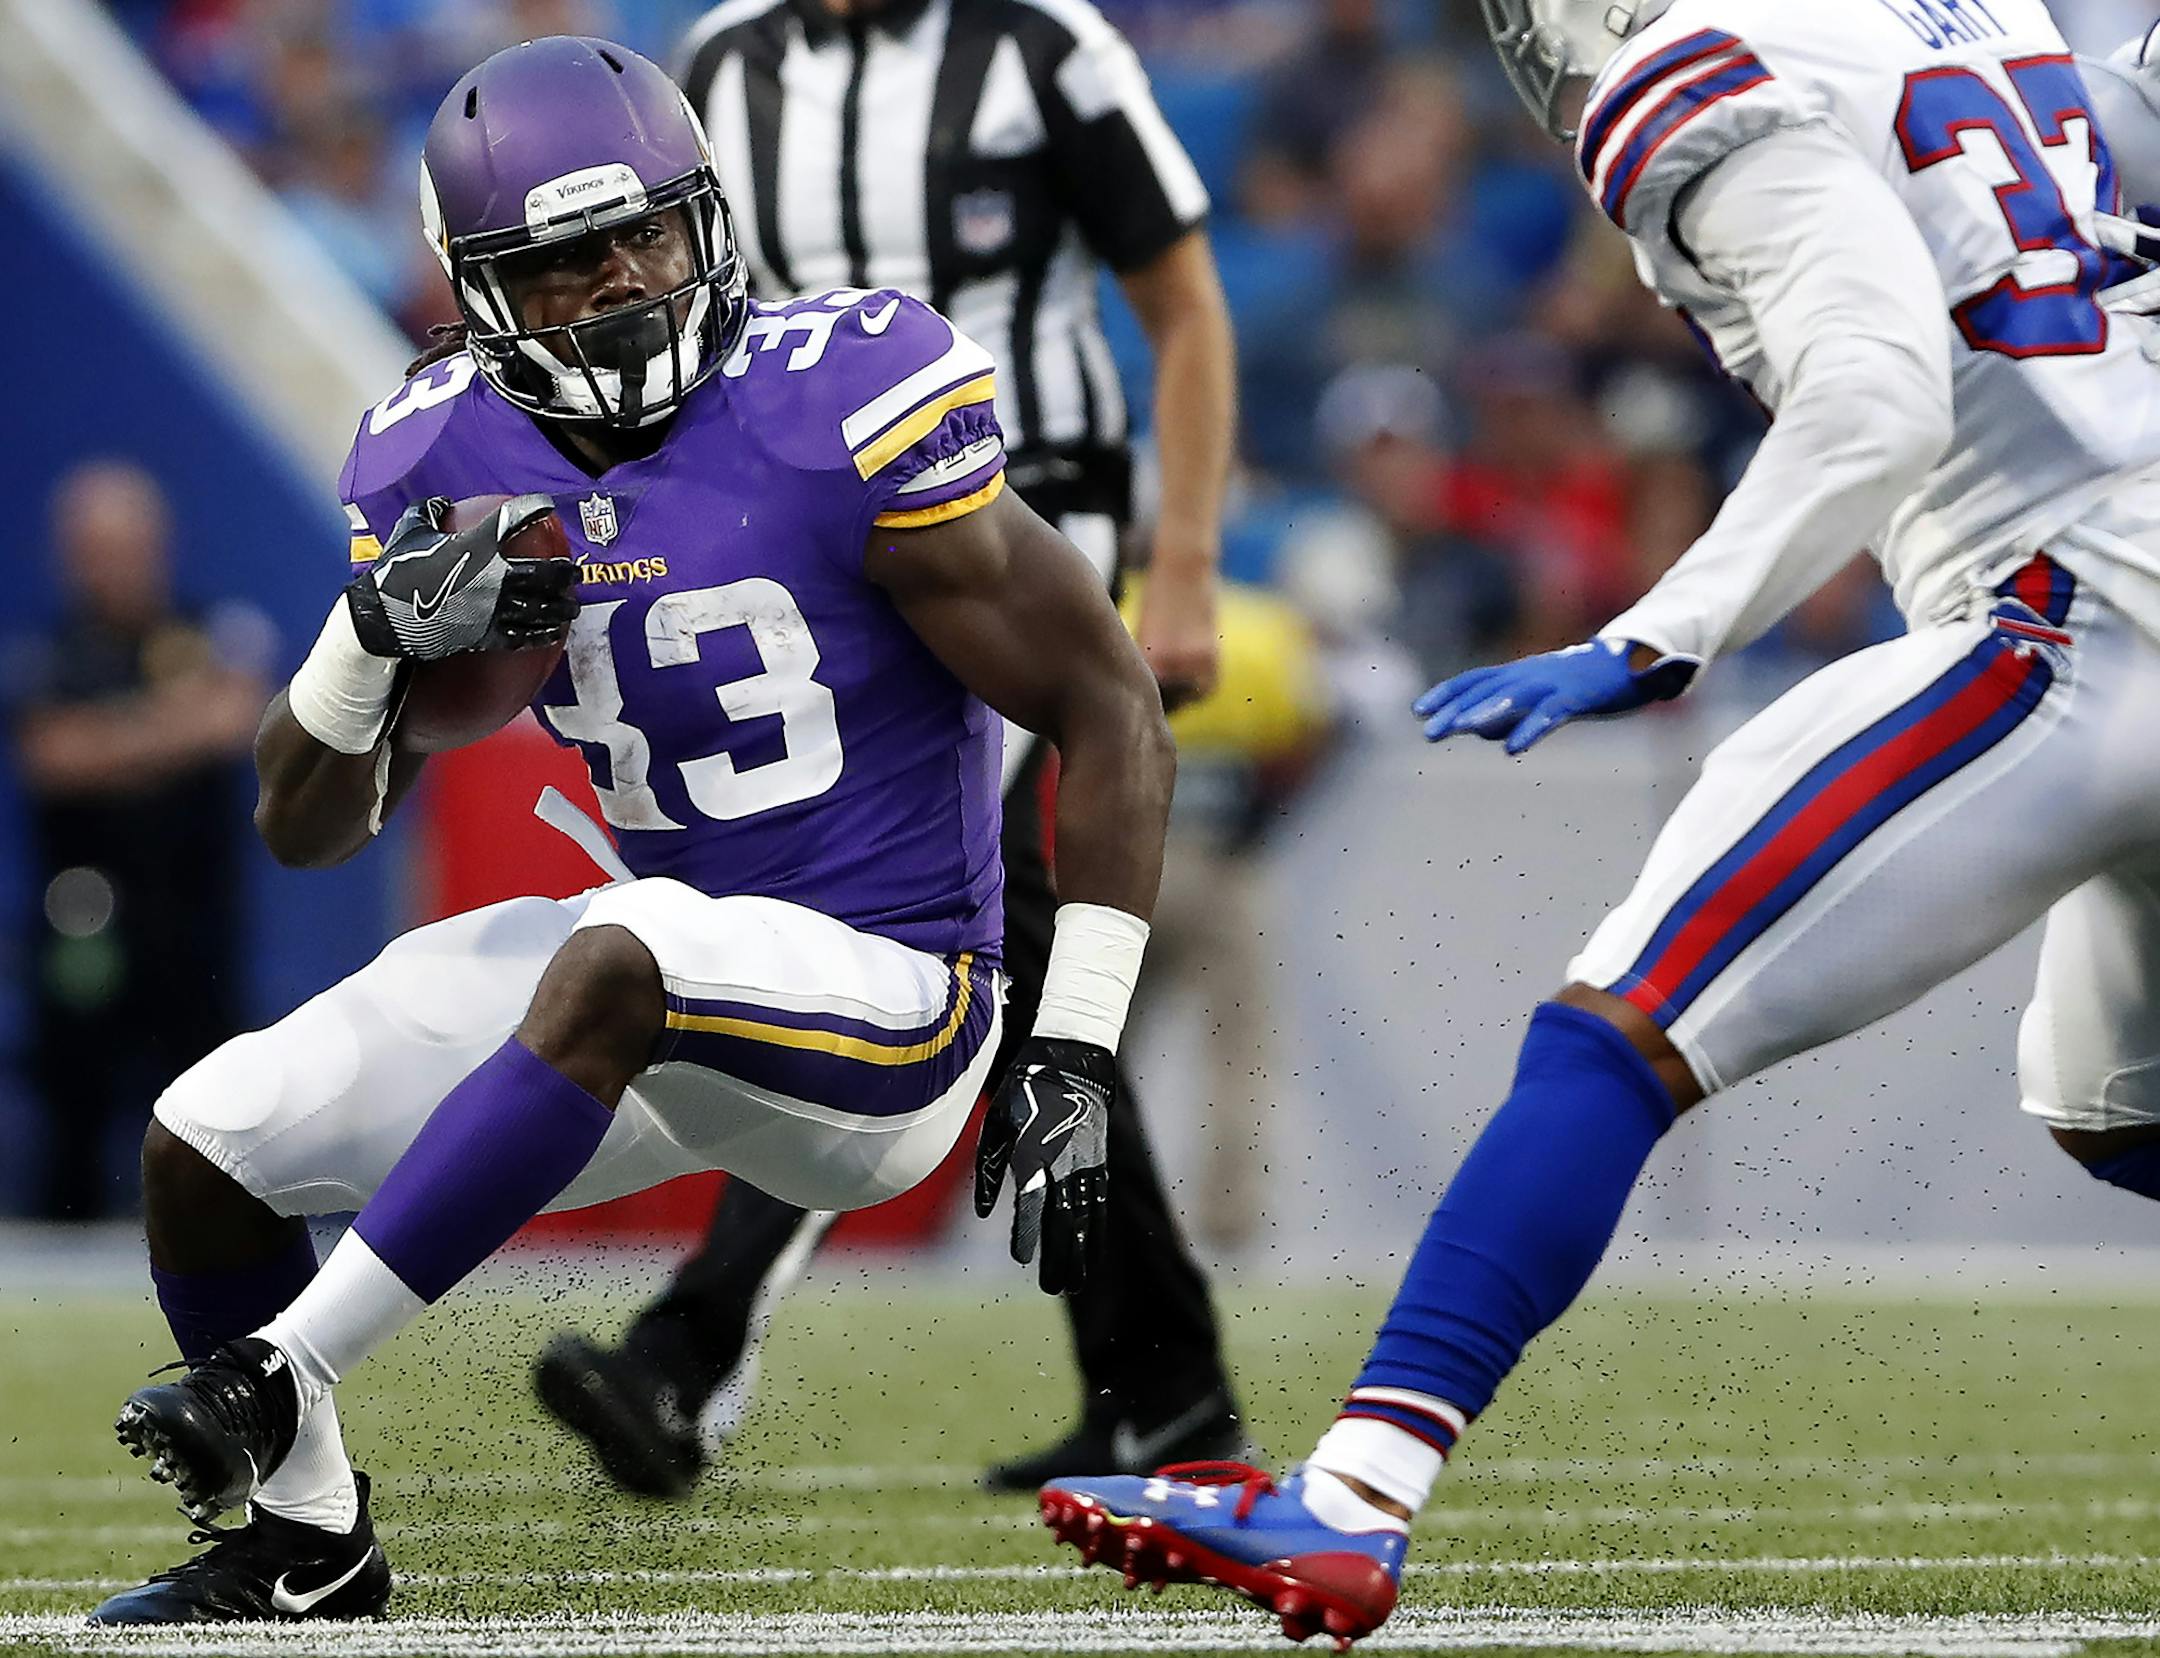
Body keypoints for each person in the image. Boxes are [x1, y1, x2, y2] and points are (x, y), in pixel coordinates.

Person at [1039, 0, 2160, 1646]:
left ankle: (1353, 1495)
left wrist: (1653, 634)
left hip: (2063, 623)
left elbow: (1875, 398)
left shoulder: (1700, 64)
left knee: (1615, 1033)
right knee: (2112, 1103)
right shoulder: (1981, 17)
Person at [90, 36, 1174, 1627]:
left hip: (899, 1003)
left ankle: (280, 1368)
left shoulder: (842, 399)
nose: (618, 282)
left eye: (643, 235)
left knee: (622, 942)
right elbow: (306, 826)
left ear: (702, 220)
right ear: (477, 291)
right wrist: (365, 635)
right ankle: (303, 1545)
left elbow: (1112, 703)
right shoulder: (446, 456)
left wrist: (1071, 1043)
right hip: (654, 1002)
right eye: (564, 262)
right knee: (210, 1132)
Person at [531, 0, 1245, 1500]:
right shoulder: (720, 64)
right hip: (814, 543)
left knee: (887, 914)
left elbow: (1182, 301)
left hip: (1019, 531)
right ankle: (1167, 1384)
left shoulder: (1042, 46)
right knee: (1007, 938)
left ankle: (692, 1349)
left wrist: (1183, 561)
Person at [8, 462, 266, 1221]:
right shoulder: (48, 652)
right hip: (85, 922)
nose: (112, 566)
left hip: (192, 922)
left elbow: (235, 719)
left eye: (127, 547)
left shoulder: (212, 632)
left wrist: (113, 739)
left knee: (213, 1115)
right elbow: (54, 755)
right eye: (95, 550)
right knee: (75, 1102)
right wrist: (172, 725)